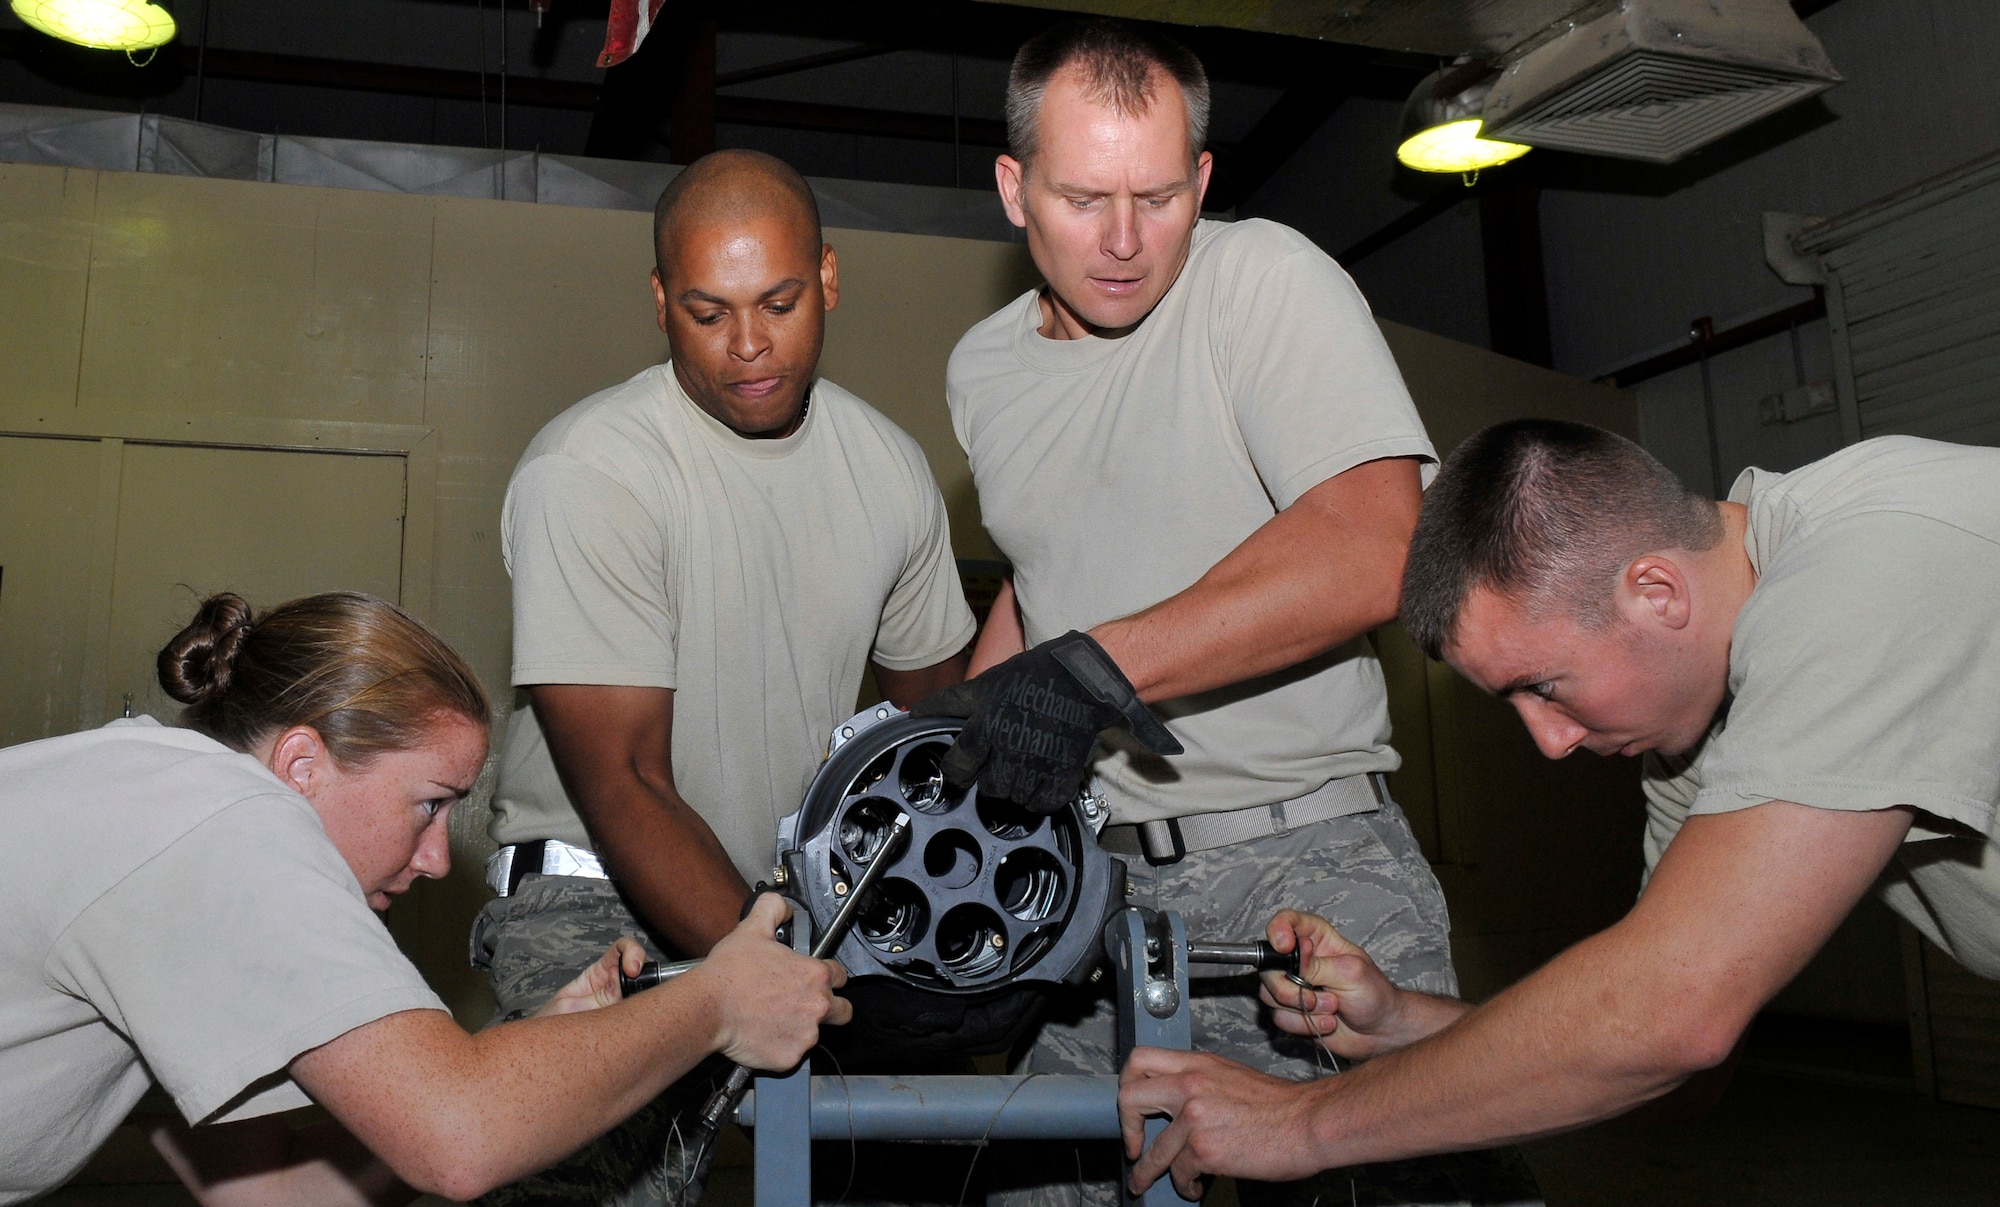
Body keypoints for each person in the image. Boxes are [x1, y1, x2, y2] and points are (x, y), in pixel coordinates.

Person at [920, 18, 1499, 1206]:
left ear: (1203, 181)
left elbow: (1379, 542)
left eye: (1158, 197)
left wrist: (1091, 670)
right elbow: (1044, 585)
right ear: (1011, 188)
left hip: (1308, 874)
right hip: (1095, 900)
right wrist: (940, 767)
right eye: (1083, 199)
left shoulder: (1262, 279)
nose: (1125, 242)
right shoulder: (980, 367)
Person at [1118, 420, 2000, 1196]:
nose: (1548, 741)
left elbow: (1672, 1013)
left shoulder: (1865, 565)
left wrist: (1298, 1124)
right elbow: (1679, 1074)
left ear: (1656, 592)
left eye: (1543, 686)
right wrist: (1404, 1023)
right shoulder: (1692, 745)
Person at [473, 148, 976, 1205]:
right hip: (592, 901)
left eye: (780, 303)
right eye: (708, 313)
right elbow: (625, 783)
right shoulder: (591, 470)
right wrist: (781, 974)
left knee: (931, 1162)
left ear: (828, 279)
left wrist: (880, 961)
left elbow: (927, 736)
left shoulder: (886, 469)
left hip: (786, 908)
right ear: (660, 304)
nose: (749, 346)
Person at [0, 591, 847, 1207]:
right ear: (302, 766)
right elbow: (461, 1140)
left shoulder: (168, 821)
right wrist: (719, 1003)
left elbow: (277, 1197)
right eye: (430, 803)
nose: (440, 857)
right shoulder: (229, 817)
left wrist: (539, 1049)